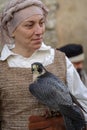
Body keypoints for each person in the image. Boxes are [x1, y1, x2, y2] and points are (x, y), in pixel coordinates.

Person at [0, 0, 87, 130]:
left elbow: (83, 103)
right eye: (30, 25)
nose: (39, 31)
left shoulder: (60, 59)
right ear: (12, 30)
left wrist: (64, 123)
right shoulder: (2, 68)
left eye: (42, 23)